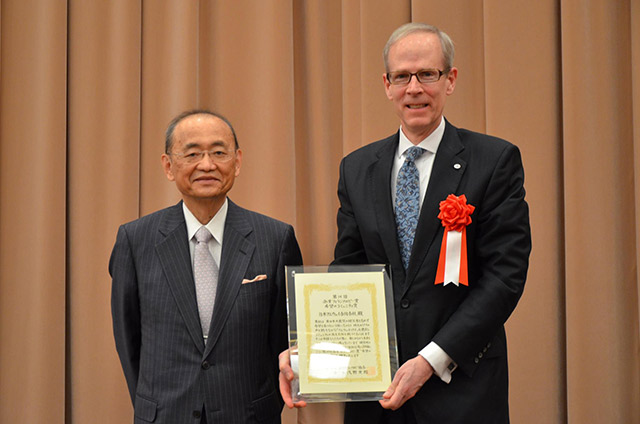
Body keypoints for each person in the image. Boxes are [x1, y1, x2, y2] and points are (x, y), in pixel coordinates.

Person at [280, 23, 531, 423]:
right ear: (387, 84)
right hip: (377, 397)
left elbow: (505, 277)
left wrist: (431, 360)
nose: (414, 88)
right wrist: (308, 349)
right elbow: (349, 272)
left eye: (427, 74)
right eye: (402, 76)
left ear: (450, 80)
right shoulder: (358, 168)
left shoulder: (494, 161)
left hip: (461, 390)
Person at [110, 110, 302, 423]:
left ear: (237, 162)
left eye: (218, 152)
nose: (207, 164)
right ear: (168, 166)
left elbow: (285, 339)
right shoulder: (135, 240)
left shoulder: (276, 238)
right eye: (192, 153)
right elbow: (128, 339)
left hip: (249, 415)